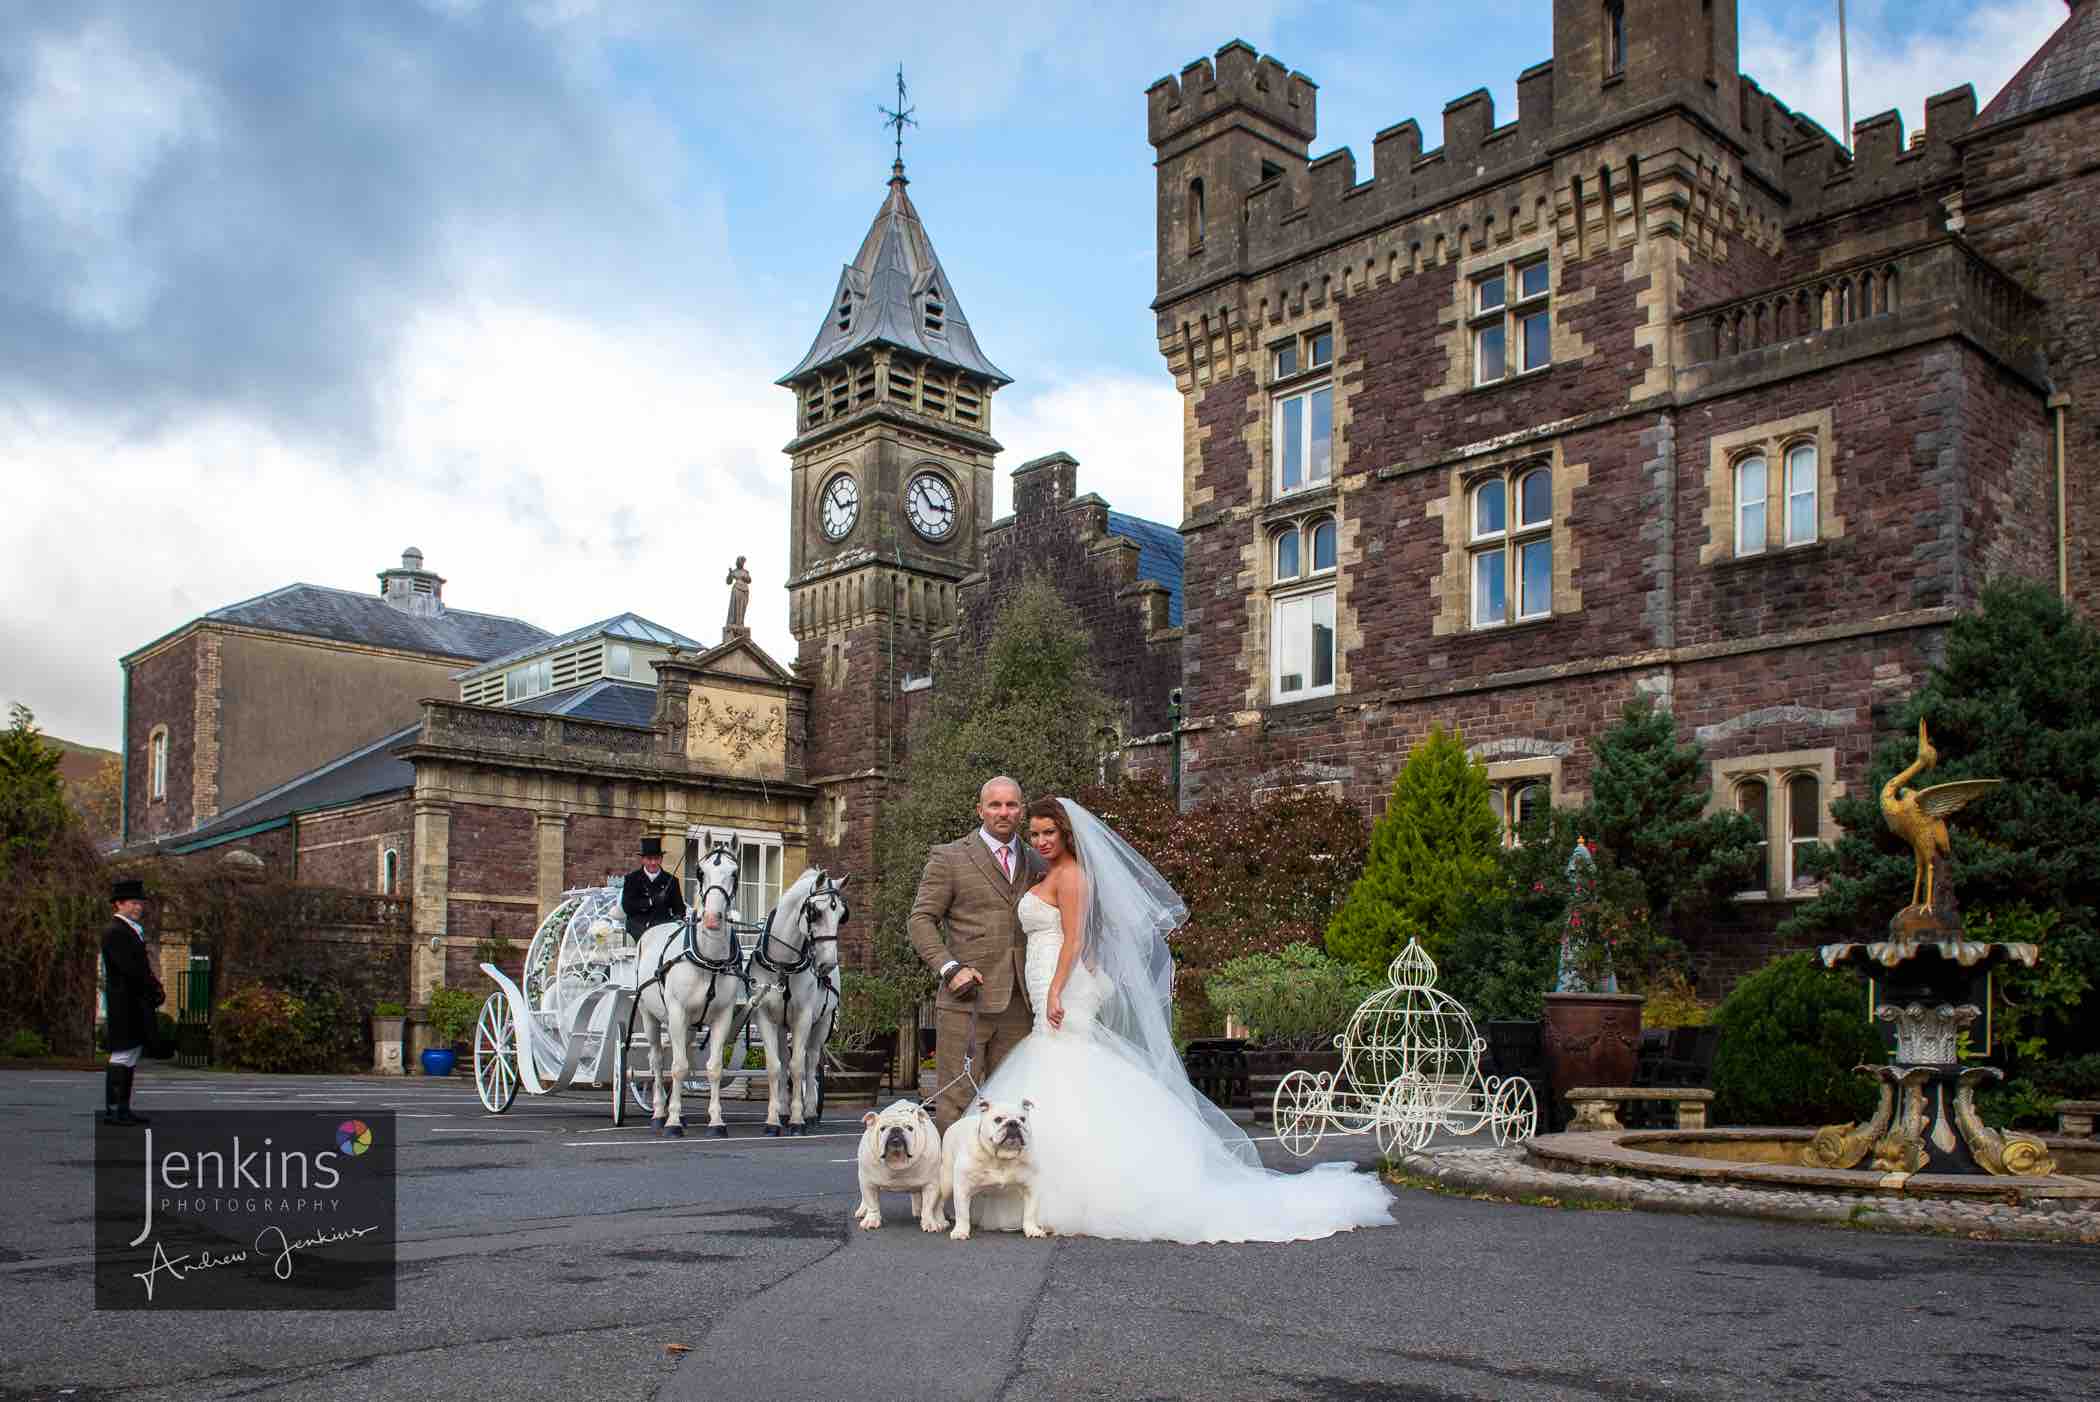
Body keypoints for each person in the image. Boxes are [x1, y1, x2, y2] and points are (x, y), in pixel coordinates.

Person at [974, 796, 1393, 1242]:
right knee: (1060, 1063)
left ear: (1066, 834)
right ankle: (1041, 1186)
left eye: (1048, 833)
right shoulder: (1051, 874)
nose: (1040, 841)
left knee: (1066, 1063)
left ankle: (1076, 1188)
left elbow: (1074, 939)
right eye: (1035, 834)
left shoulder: (1072, 875)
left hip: (1059, 980)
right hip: (1047, 977)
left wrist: (1058, 988)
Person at [908, 775, 1045, 1132]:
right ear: (980, 809)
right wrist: (950, 969)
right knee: (956, 1103)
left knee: (1012, 1105)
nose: (1003, 812)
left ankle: (998, 1187)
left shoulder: (1037, 861)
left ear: (1022, 810)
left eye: (1011, 804)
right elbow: (921, 920)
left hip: (1022, 1003)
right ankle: (948, 1186)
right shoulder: (949, 857)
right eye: (995, 804)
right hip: (966, 1000)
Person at [101, 877, 163, 1128]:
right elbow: (131, 969)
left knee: (131, 1054)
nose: (139, 907)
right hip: (125, 1001)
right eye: (133, 903)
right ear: (119, 904)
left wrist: (153, 988)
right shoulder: (116, 931)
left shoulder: (129, 930)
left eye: (140, 903)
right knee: (122, 1052)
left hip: (134, 1000)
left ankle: (123, 1108)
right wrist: (152, 988)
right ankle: (114, 1109)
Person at [622, 836, 687, 937]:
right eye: (649, 859)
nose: (653, 863)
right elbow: (627, 906)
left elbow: (679, 908)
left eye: (656, 858)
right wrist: (650, 901)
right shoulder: (632, 879)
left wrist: (678, 918)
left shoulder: (672, 880)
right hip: (638, 929)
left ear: (661, 859)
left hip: (663, 930)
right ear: (643, 860)